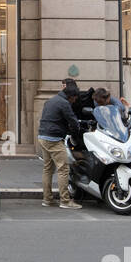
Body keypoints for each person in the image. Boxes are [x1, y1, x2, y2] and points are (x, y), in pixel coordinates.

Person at [38, 79, 85, 209]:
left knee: (48, 169)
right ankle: (65, 200)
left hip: (42, 136)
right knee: (63, 168)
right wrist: (76, 131)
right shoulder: (64, 103)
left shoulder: (50, 100)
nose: (74, 101)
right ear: (71, 96)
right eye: (74, 99)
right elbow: (73, 121)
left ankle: (47, 199)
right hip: (53, 139)